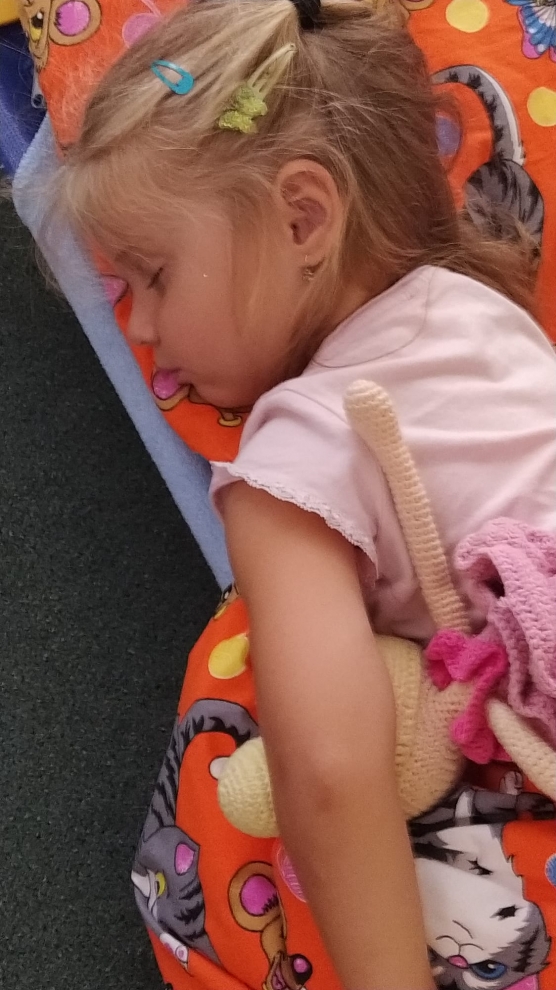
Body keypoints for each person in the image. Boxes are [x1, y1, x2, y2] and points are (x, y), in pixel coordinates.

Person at [58, 0, 556, 986]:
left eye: (152, 277)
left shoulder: (292, 453)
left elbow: (326, 768)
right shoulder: (483, 307)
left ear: (302, 218)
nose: (141, 331)